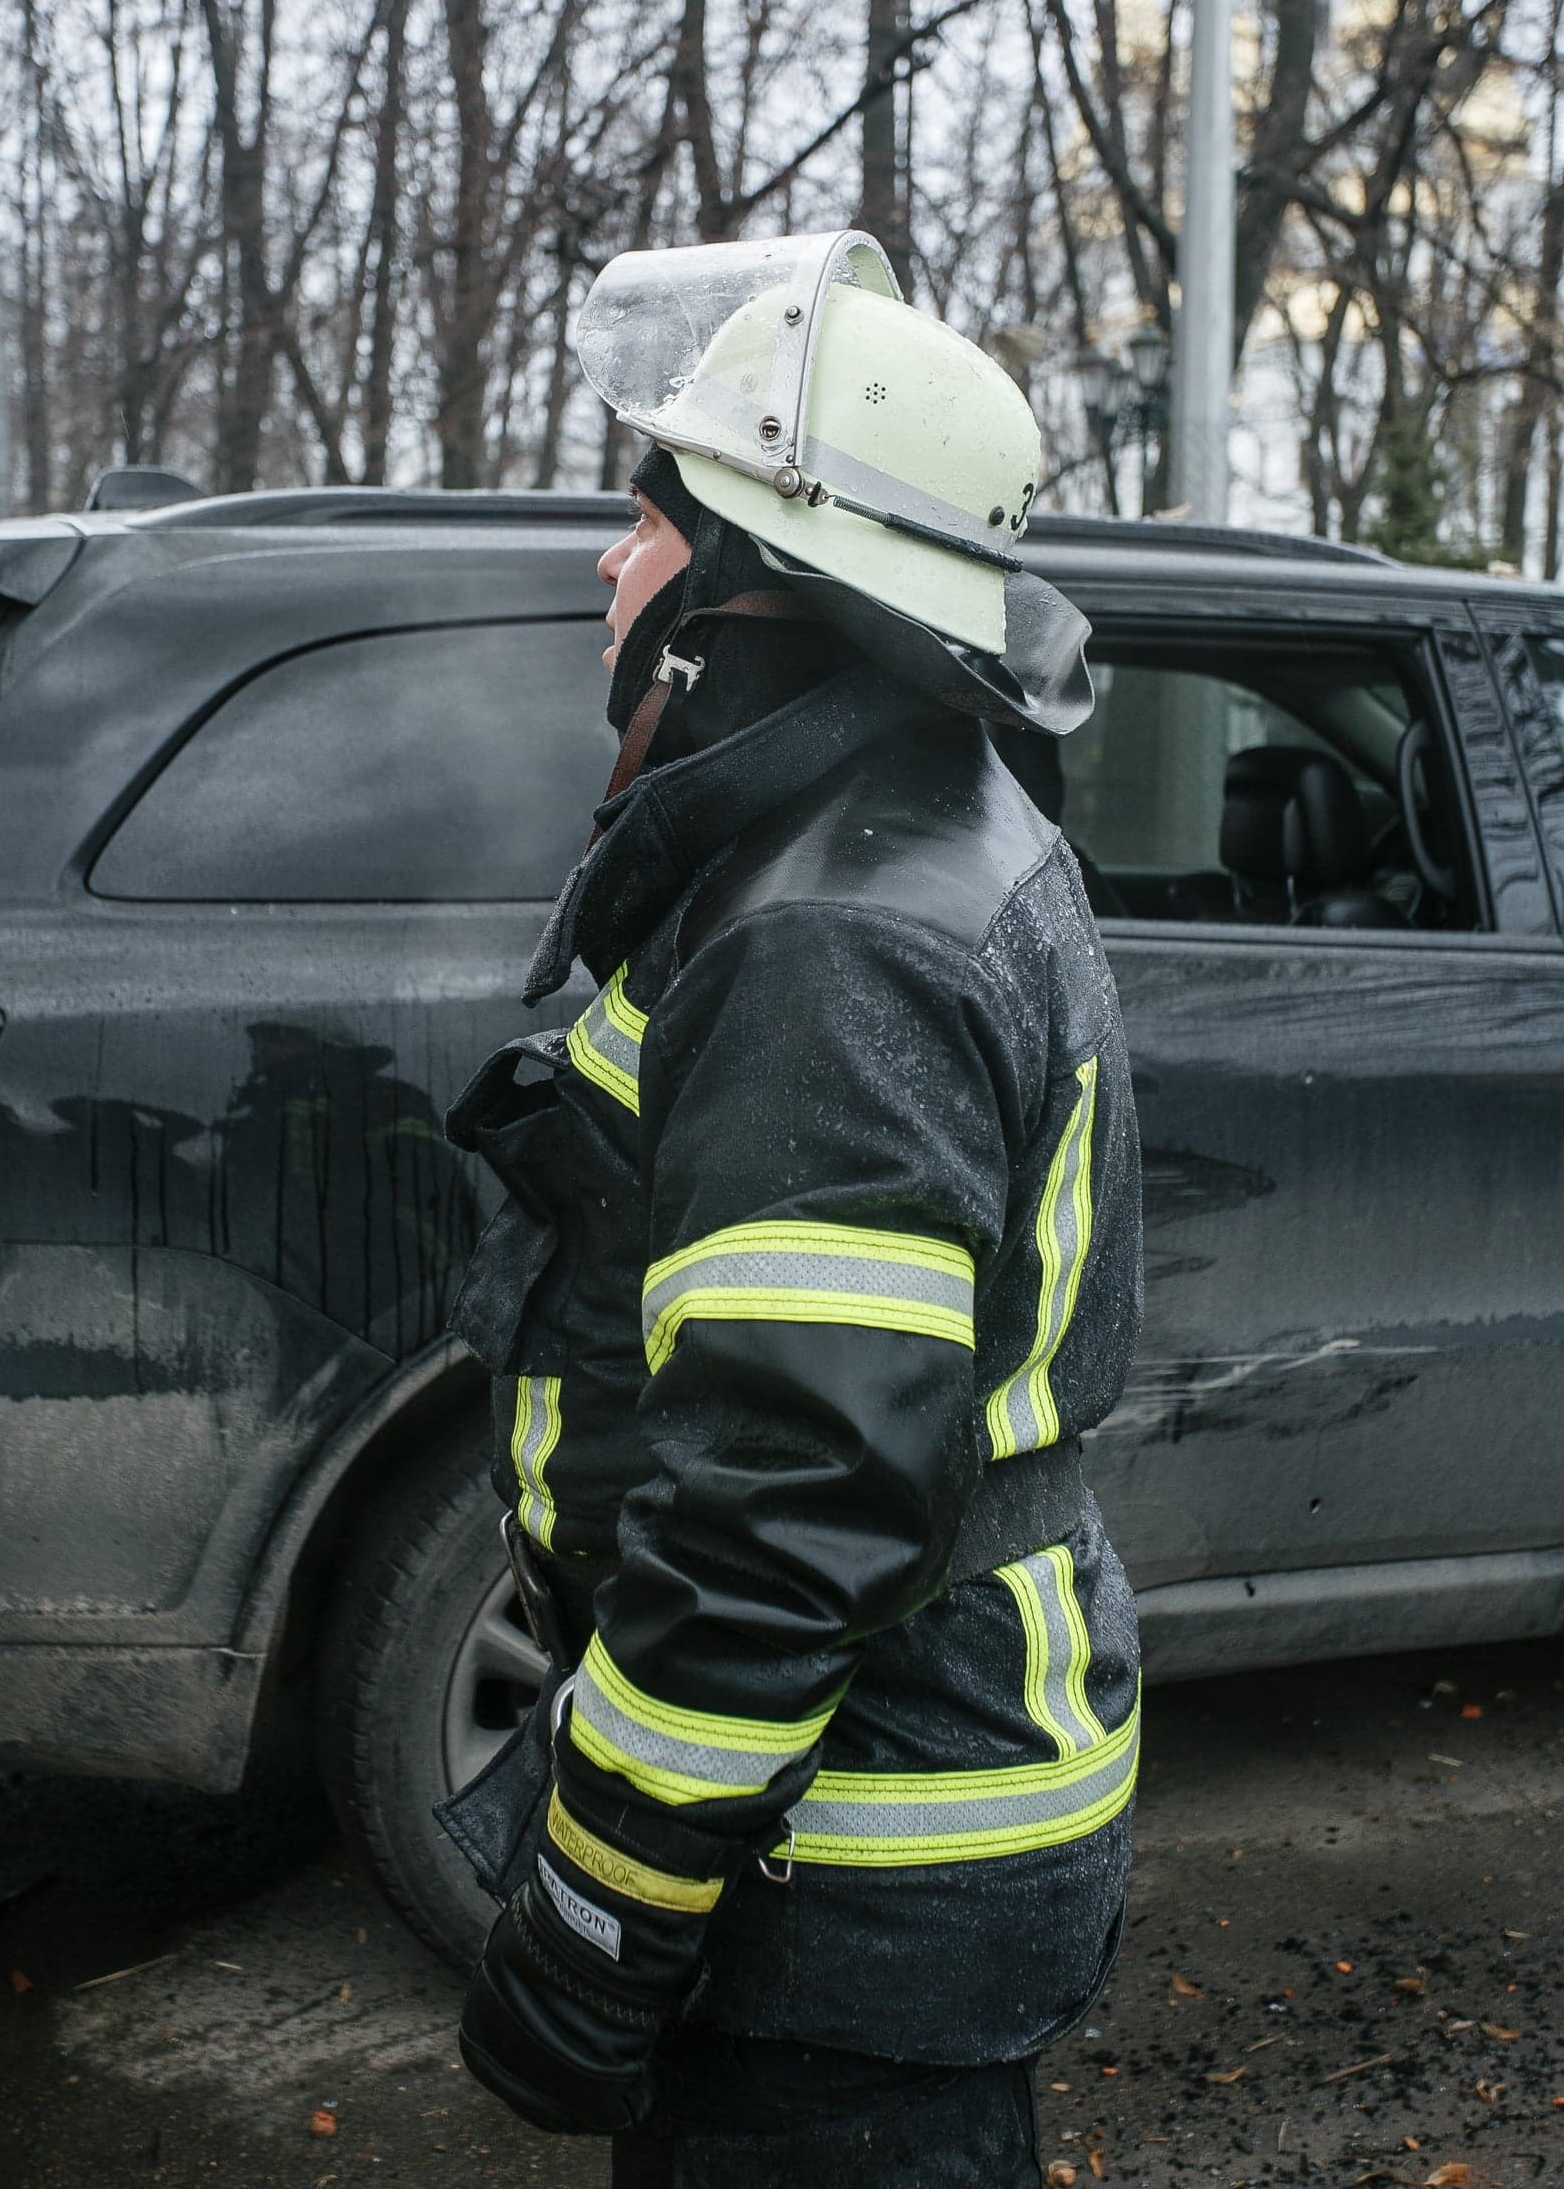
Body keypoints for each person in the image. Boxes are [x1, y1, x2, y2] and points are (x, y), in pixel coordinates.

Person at [439, 229, 1142, 2188]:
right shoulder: (903, 826)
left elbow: (777, 1511)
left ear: (750, 583)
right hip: (893, 1826)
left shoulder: (827, 933)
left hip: (852, 1865)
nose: (608, 555)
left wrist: (595, 1917)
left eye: (650, 511)